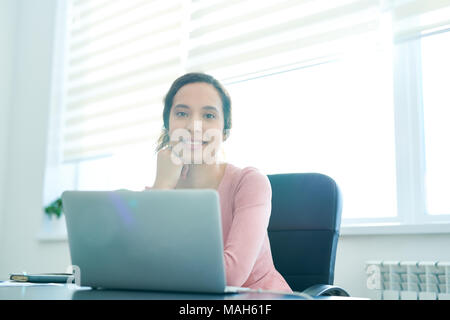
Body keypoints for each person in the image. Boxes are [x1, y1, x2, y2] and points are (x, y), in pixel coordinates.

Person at [147, 72, 292, 292]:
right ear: (168, 125)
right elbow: (140, 265)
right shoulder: (161, 188)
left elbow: (230, 275)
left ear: (224, 132)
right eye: (182, 113)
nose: (194, 126)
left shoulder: (249, 183)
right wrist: (162, 187)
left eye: (208, 116)